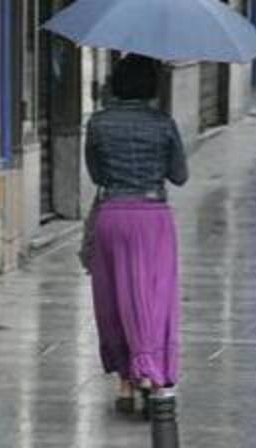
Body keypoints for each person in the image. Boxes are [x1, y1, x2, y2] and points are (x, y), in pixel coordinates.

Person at [84, 54, 189, 414]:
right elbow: (180, 175)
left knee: (114, 298)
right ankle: (152, 375)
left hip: (112, 215)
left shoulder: (98, 124)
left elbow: (97, 175)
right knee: (155, 296)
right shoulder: (163, 123)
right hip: (153, 217)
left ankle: (126, 384)